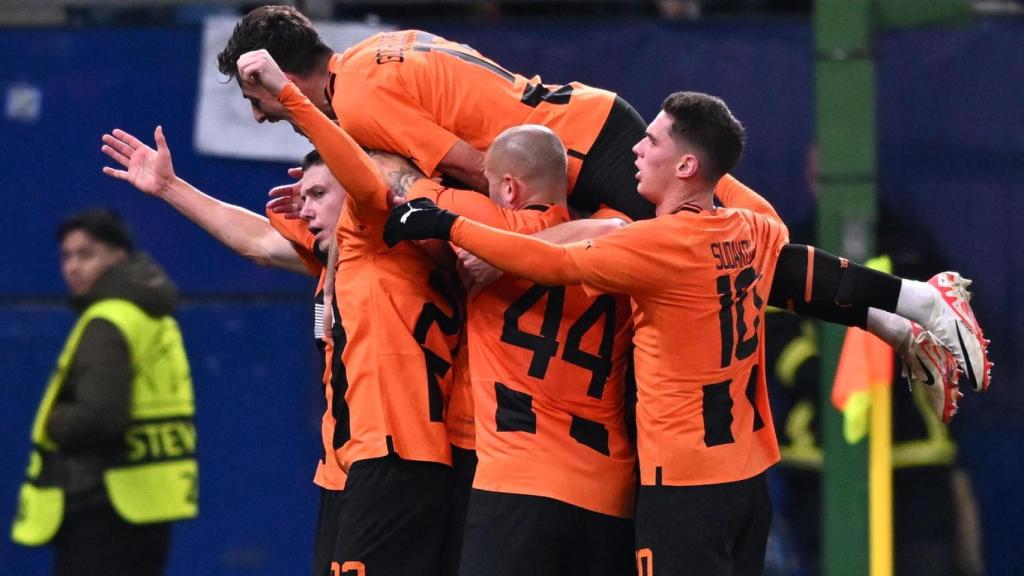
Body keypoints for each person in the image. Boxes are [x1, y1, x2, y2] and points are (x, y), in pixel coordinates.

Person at [382, 91, 990, 574]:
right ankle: (920, 306)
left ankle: (919, 307)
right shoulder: (754, 227)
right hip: (749, 478)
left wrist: (444, 221)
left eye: (649, 141)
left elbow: (551, 264)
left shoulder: (651, 244)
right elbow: (809, 273)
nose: (634, 152)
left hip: (682, 485)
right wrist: (899, 315)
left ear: (687, 163)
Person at [98, 127, 353, 576]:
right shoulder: (331, 257)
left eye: (319, 194)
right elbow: (257, 242)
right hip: (339, 466)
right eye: (305, 195)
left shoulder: (401, 252)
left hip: (392, 466)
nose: (305, 210)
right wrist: (169, 187)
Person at [394, 125, 637, 575]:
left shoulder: (483, 234)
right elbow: (619, 227)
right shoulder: (618, 247)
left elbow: (390, 181)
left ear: (508, 188)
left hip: (517, 476)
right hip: (608, 487)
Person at [217, 5, 656, 219]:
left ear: (281, 81)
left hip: (586, 152)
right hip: (592, 122)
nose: (258, 116)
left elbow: (478, 168)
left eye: (256, 101)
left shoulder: (357, 102)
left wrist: (540, 238)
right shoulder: (375, 51)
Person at [11, 209, 196, 576]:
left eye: (86, 254)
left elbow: (100, 417)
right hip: (148, 500)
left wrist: (54, 422)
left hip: (101, 505)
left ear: (118, 255)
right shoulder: (152, 312)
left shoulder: (108, 319)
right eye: (67, 256)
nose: (73, 267)